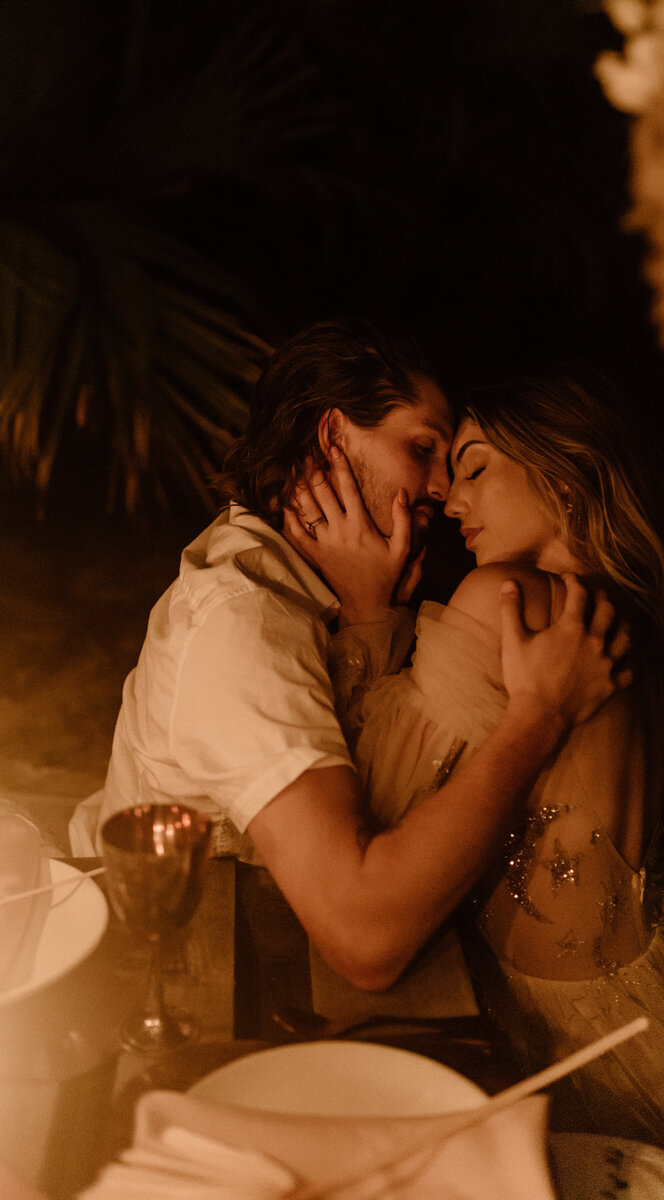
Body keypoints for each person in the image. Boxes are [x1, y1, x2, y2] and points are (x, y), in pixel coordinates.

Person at [298, 365, 664, 1196]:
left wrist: (365, 613)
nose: (452, 503)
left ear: (564, 474)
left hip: (564, 1021)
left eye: (475, 467)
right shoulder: (628, 611)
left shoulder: (506, 596)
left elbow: (381, 797)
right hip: (650, 973)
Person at [68, 319, 630, 994]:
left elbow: (384, 782)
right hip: (186, 965)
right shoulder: (244, 621)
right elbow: (365, 939)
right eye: (422, 449)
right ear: (332, 436)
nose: (440, 492)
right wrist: (541, 716)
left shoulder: (321, 592)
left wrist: (369, 620)